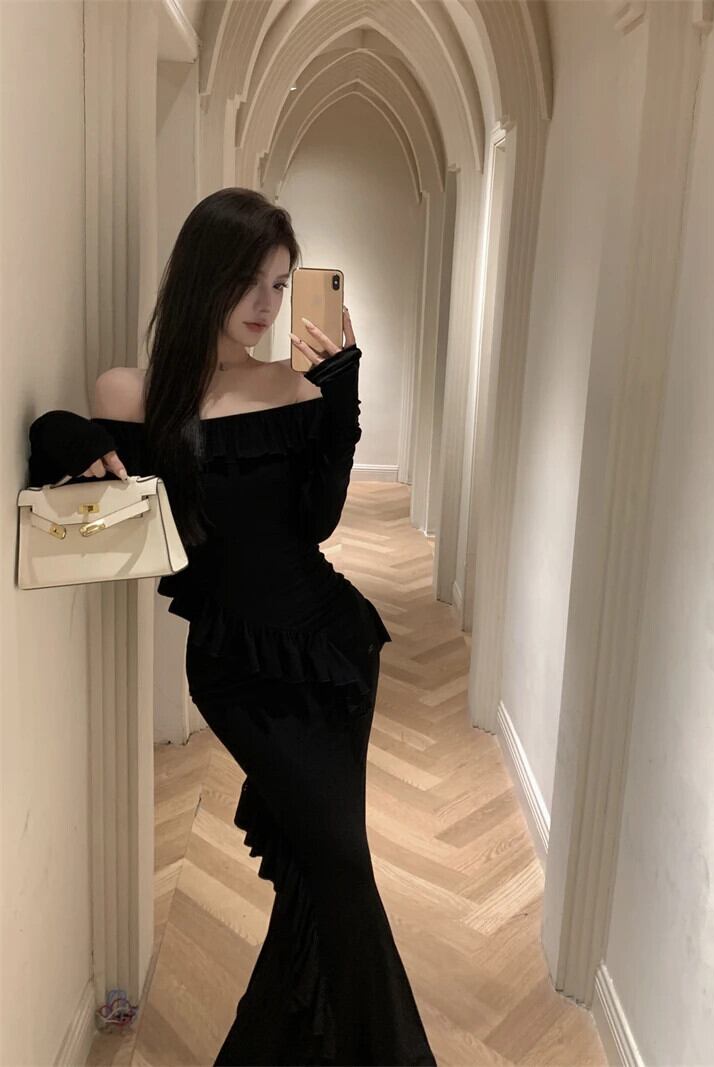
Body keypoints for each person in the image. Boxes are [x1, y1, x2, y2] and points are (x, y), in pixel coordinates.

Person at [26, 187, 437, 1066]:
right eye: (249, 280)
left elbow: (317, 522)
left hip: (334, 653)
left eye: (281, 285)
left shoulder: (295, 384)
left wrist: (342, 396)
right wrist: (61, 433)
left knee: (328, 869)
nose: (266, 303)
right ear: (202, 275)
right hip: (233, 669)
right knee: (335, 864)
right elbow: (79, 454)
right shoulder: (137, 394)